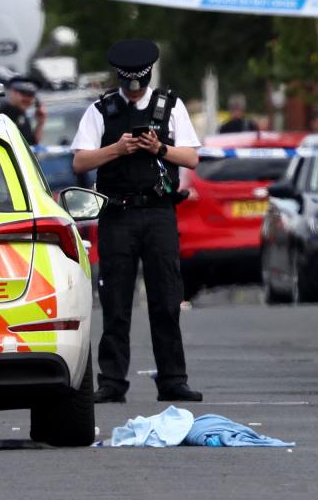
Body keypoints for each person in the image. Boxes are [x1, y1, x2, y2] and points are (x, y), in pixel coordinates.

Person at [71, 39, 203, 403]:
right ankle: (112, 381)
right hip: (117, 215)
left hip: (159, 212)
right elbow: (80, 162)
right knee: (115, 301)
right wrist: (119, 148)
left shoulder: (170, 107)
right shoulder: (101, 111)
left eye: (139, 85)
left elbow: (191, 158)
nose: (134, 92)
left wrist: (158, 148)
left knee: (166, 299)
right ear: (121, 79)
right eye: (129, 85)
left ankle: (173, 379)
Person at [0, 75, 45, 145]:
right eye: (23, 94)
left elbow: (32, 144)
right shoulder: (4, 115)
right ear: (13, 92)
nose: (27, 99)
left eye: (30, 95)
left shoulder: (22, 115)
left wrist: (40, 123)